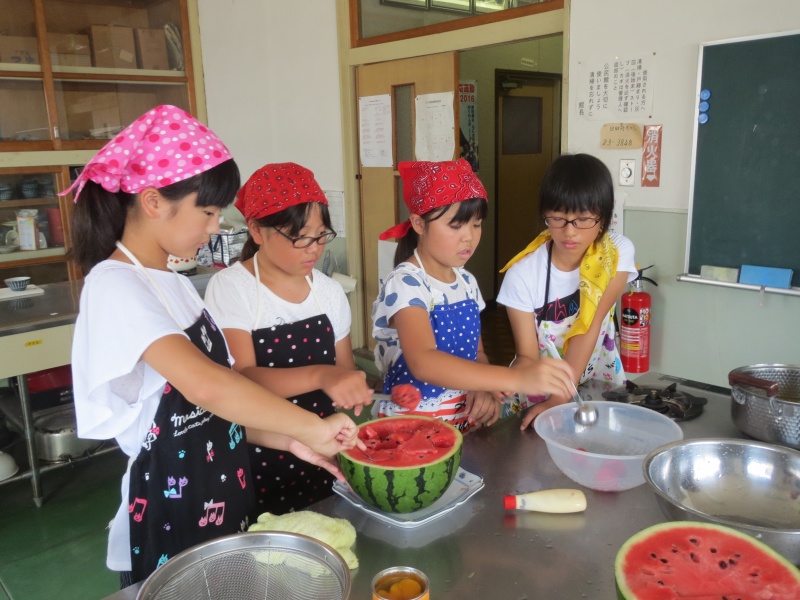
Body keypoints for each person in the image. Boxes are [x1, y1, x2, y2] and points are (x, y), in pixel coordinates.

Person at [65, 106, 360, 587]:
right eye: (207, 211)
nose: (215, 226)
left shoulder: (174, 284)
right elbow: (208, 386)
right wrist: (311, 426)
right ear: (153, 201)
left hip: (224, 488)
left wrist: (290, 439)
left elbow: (213, 414)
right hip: (172, 506)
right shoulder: (115, 284)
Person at [204, 162, 373, 514]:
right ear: (257, 230)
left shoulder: (328, 293)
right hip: (258, 450)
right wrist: (322, 375)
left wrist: (354, 387)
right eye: (300, 237)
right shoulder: (232, 287)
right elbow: (241, 379)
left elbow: (343, 371)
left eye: (321, 235)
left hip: (322, 444)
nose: (314, 249)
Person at [372, 158, 575, 433]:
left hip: (461, 422)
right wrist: (514, 379)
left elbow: (477, 353)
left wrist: (482, 388)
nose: (469, 237)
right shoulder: (406, 283)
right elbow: (423, 361)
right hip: (410, 427)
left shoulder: (466, 281)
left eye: (476, 224)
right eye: (456, 226)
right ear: (419, 224)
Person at [496, 153, 637, 429]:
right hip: (541, 392)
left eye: (583, 219)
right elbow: (527, 356)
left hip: (595, 381)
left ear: (603, 216)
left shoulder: (616, 254)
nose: (569, 232)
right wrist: (511, 380)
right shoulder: (522, 275)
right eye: (558, 218)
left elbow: (590, 324)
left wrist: (561, 396)